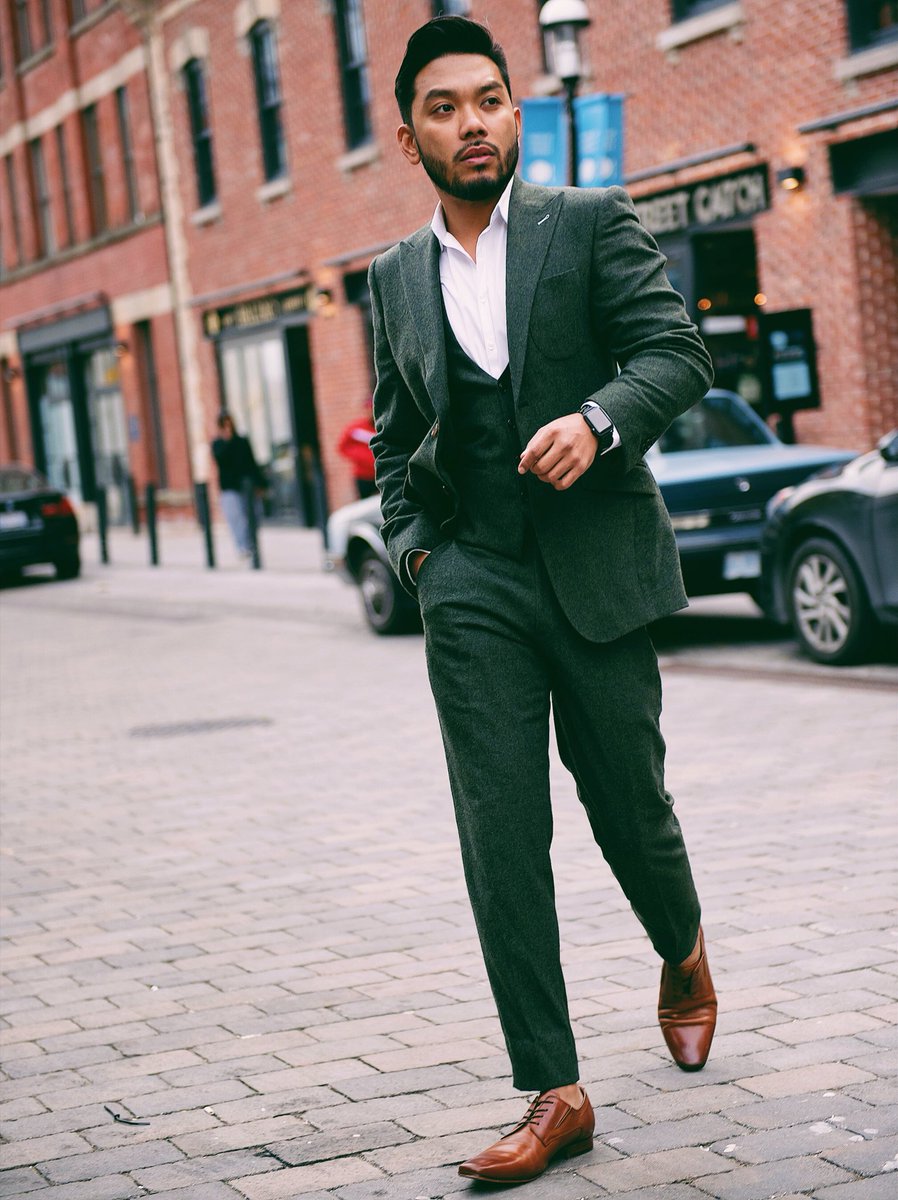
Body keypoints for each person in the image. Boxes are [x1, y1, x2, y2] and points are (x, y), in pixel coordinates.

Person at [369, 16, 718, 1186]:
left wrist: (599, 418)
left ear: (515, 111)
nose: (472, 123)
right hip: (470, 579)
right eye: (444, 107)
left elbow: (676, 354)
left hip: (595, 568)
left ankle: (681, 949)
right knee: (499, 833)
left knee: (630, 807)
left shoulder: (586, 223)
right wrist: (418, 552)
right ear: (409, 134)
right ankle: (554, 1089)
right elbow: (396, 433)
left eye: (488, 100)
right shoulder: (393, 278)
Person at [211, 412, 266, 558]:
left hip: (247, 486)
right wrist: (227, 440)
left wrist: (260, 484)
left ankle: (251, 543)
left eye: (230, 424)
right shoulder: (218, 444)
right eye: (224, 425)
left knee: (255, 514)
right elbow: (221, 460)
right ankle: (243, 547)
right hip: (229, 487)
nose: (228, 428)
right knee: (236, 518)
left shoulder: (242, 441)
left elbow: (251, 463)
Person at [337, 398, 378, 498]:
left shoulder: (382, 427)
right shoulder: (356, 428)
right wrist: (362, 457)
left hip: (381, 472)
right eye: (368, 409)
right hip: (363, 475)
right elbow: (342, 446)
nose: (370, 412)